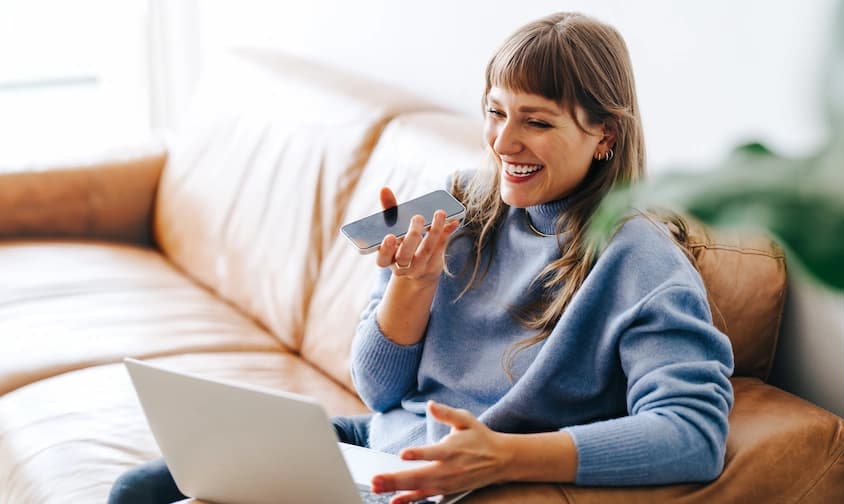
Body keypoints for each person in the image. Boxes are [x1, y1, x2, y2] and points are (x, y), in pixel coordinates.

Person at [109, 11, 733, 504]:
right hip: (376, 441)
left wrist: (506, 456)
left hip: (436, 477)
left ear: (607, 135)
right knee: (136, 489)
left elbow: (693, 433)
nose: (504, 142)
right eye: (495, 112)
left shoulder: (640, 261)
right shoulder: (458, 201)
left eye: (537, 122)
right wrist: (412, 286)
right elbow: (378, 391)